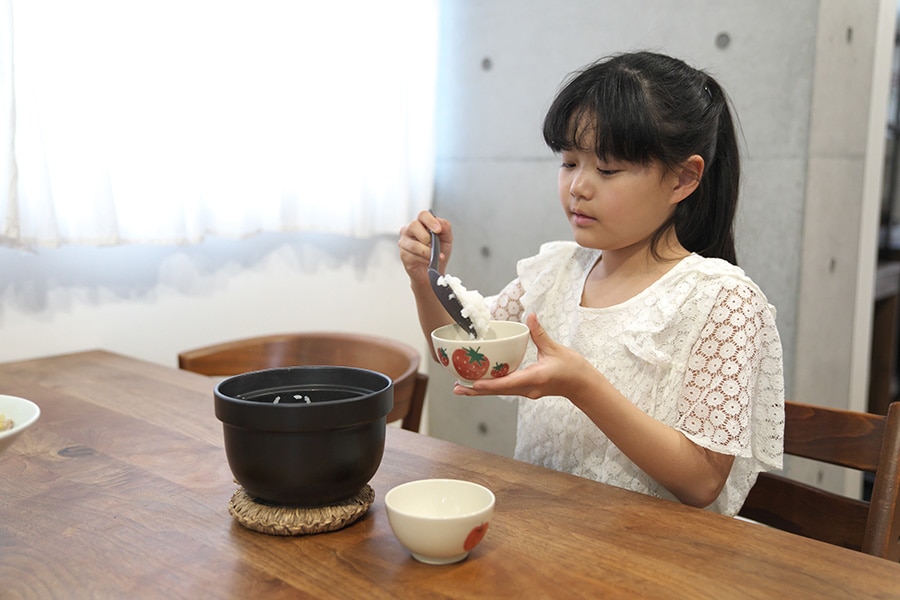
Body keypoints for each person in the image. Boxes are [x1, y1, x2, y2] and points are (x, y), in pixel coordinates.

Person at [398, 51, 784, 516]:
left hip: (656, 560)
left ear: (683, 178)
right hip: (547, 535)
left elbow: (701, 481)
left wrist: (582, 385)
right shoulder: (556, 270)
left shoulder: (722, 301)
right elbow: (468, 350)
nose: (578, 186)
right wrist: (426, 278)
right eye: (569, 162)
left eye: (607, 169)